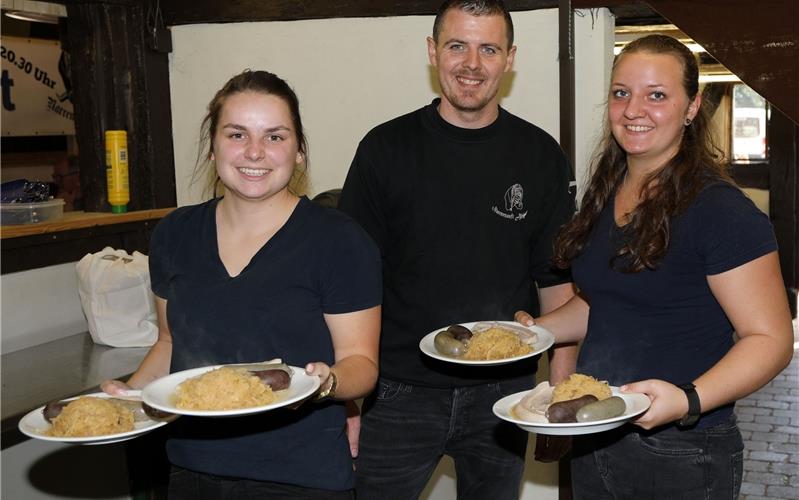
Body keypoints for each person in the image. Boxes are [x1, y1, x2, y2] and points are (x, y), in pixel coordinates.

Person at [515, 34, 794, 499]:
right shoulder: (606, 193)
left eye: (657, 95)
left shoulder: (721, 211)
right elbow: (606, 304)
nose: (633, 109)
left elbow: (772, 339)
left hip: (682, 450)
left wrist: (688, 399)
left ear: (692, 107)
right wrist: (537, 331)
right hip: (598, 432)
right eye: (622, 92)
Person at [102, 69, 382, 499]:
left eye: (275, 136)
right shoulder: (174, 234)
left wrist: (327, 382)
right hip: (192, 466)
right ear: (213, 147)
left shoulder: (339, 241)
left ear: (299, 151)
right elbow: (169, 344)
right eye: (236, 134)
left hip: (301, 476)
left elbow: (361, 363)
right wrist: (129, 398)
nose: (255, 152)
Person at [338, 1, 578, 498]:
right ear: (433, 52)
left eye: (488, 48)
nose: (472, 64)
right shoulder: (384, 149)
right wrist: (348, 403)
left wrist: (559, 395)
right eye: (457, 46)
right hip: (396, 392)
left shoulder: (540, 156)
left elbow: (556, 285)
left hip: (504, 395)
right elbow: (349, 288)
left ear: (509, 58)